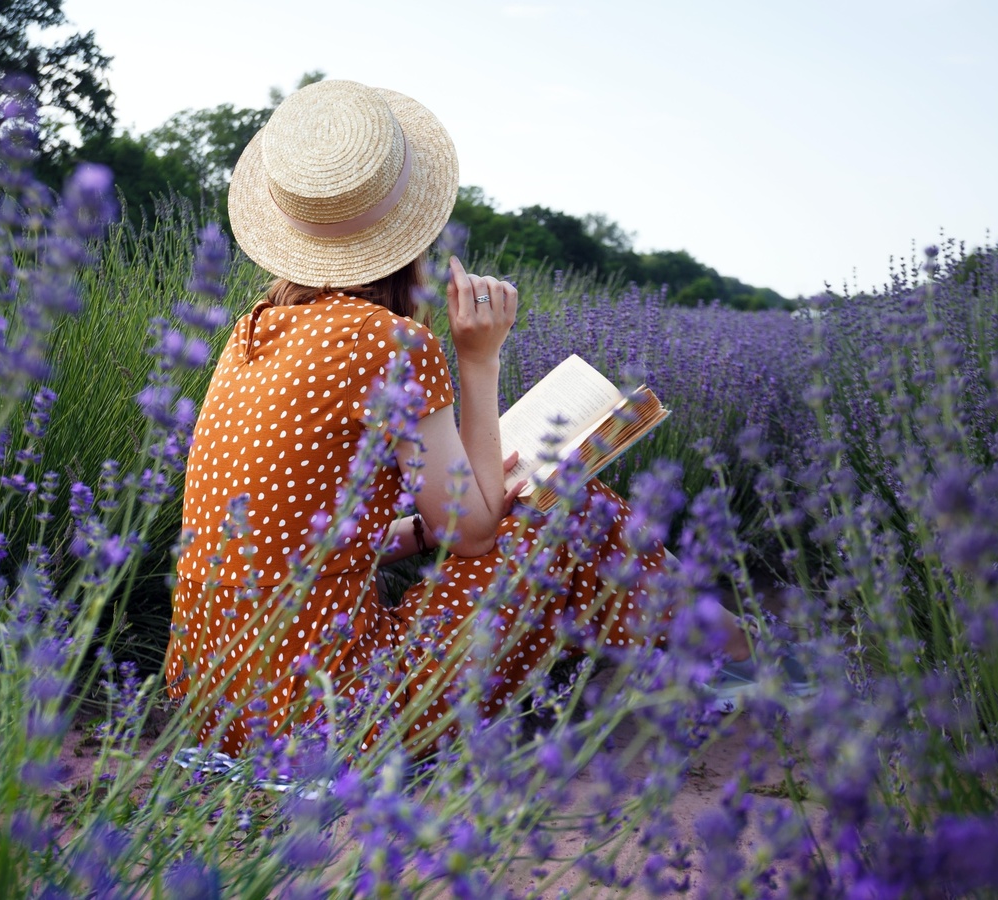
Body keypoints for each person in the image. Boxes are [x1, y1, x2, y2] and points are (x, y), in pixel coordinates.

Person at [163, 80, 778, 760]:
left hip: (217, 701)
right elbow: (478, 529)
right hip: (332, 717)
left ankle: (712, 655)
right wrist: (478, 359)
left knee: (546, 510)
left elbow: (295, 540)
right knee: (568, 504)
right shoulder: (388, 343)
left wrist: (420, 531)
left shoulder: (254, 332)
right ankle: (737, 654)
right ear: (411, 233)